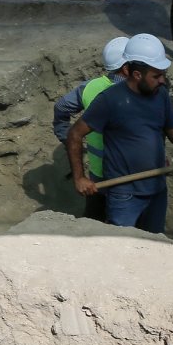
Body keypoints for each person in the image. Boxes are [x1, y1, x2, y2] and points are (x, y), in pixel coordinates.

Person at [67, 34, 173, 234]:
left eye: (163, 74)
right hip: (124, 194)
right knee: (122, 246)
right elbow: (75, 134)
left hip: (157, 189)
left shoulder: (160, 95)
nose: (162, 80)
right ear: (136, 74)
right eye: (156, 76)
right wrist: (79, 178)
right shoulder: (110, 100)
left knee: (153, 245)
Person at [52, 36, 129, 222]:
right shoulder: (137, 92)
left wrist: (68, 138)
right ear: (127, 65)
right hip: (129, 175)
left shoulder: (90, 88)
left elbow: (61, 108)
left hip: (98, 174)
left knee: (94, 219)